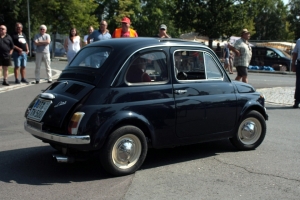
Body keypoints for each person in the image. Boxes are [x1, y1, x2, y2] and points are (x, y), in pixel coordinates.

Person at [291, 38, 300, 108]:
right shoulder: (299, 41)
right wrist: (293, 64)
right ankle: (297, 101)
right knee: (299, 83)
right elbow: (295, 53)